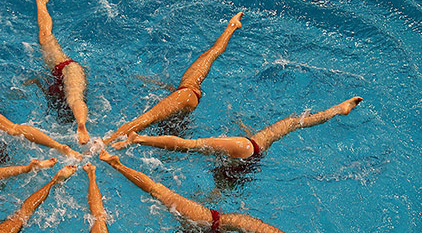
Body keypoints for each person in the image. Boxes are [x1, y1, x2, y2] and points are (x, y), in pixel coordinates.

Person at [99, 151, 346, 233]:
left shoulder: (217, 218)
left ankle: (116, 164)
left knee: (158, 191)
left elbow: (154, 188)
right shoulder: (232, 222)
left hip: (208, 226)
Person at [103, 12, 244, 145]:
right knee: (210, 54)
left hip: (188, 92)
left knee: (146, 119)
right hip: (188, 92)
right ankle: (232, 26)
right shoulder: (177, 107)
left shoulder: (178, 104)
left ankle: (103, 144)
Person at [112, 97, 363, 156]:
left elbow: (185, 145)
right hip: (248, 158)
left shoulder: (240, 144)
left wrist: (138, 139)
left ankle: (139, 140)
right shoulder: (246, 145)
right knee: (291, 123)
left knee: (193, 146)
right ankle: (337, 110)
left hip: (247, 150)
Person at [27, 0, 90, 145]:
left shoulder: (56, 104)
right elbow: (76, 101)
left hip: (64, 70)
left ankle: (41, 1)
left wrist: (36, 82)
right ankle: (82, 124)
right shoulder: (61, 104)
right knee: (74, 98)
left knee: (45, 36)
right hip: (70, 70)